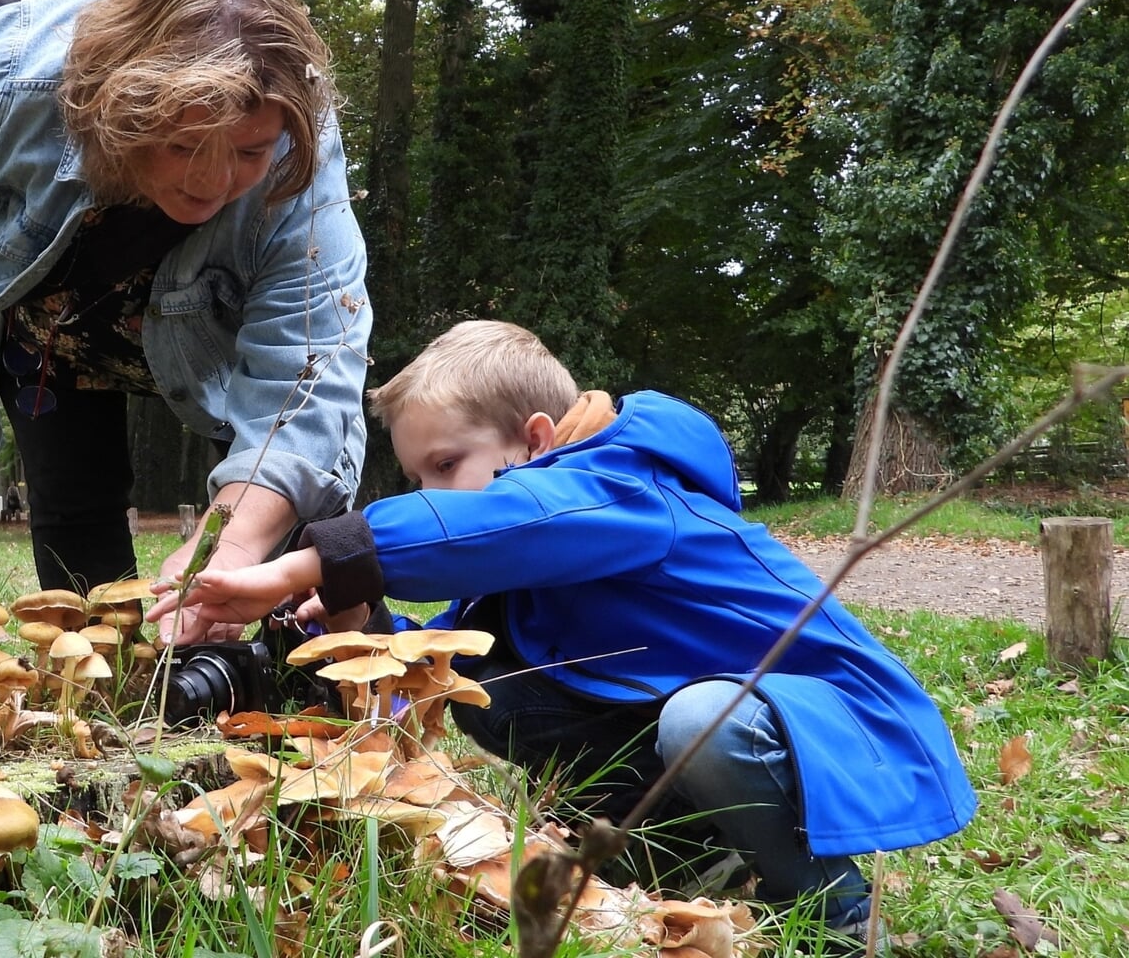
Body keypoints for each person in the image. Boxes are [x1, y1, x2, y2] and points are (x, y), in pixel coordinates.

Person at [146, 320, 977, 938]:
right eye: (416, 477)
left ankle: (833, 908)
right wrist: (360, 611)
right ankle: (696, 862)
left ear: (536, 442)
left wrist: (306, 563)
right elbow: (431, 659)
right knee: (485, 684)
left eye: (445, 468)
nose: (436, 493)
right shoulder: (533, 558)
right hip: (735, 727)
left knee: (702, 720)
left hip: (830, 725)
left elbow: (513, 518)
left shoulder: (619, 487)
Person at [0, 0, 370, 602]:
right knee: (73, 500)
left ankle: (288, 676)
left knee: (293, 512)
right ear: (118, 110)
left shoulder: (299, 146)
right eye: (184, 143)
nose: (213, 182)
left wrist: (234, 548)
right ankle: (102, 686)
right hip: (46, 318)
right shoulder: (4, 84)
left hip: (211, 325)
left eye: (246, 150)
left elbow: (306, 375)